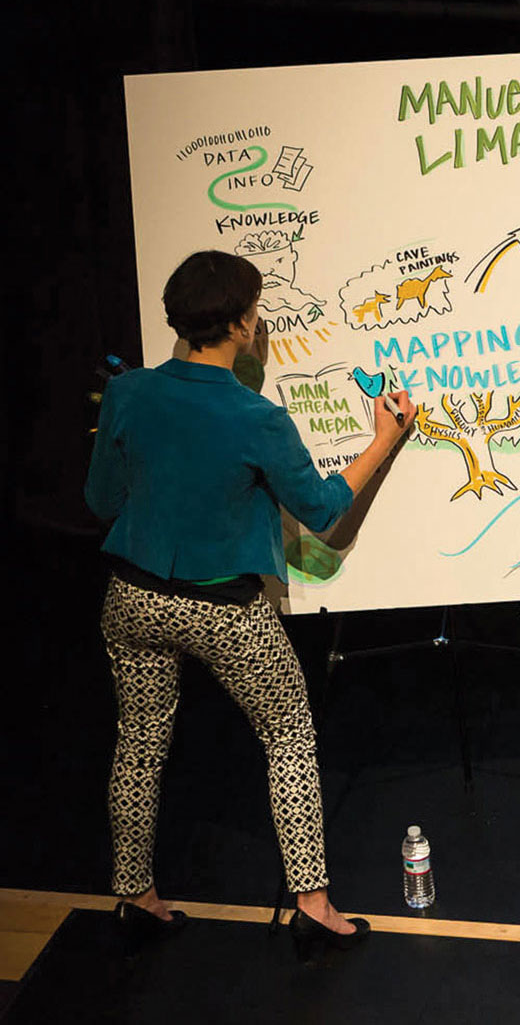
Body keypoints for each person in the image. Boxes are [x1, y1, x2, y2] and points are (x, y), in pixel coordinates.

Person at [84, 250, 416, 956]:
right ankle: (315, 905)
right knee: (288, 731)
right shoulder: (255, 416)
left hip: (131, 599)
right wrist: (384, 438)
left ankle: (134, 894)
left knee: (139, 744)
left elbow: (99, 501)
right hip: (222, 610)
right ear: (241, 324)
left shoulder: (129, 392)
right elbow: (323, 507)